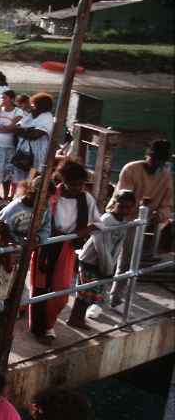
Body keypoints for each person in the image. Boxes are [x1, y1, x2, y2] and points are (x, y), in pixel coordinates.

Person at [31, 159, 101, 343]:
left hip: (68, 247)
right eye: (73, 184)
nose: (78, 187)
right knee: (40, 288)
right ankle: (40, 329)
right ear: (64, 180)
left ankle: (48, 324)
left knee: (61, 292)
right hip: (46, 245)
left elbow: (98, 222)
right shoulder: (52, 194)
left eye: (81, 184)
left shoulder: (86, 198)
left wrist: (83, 231)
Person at [108, 139, 172, 285]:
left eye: (160, 160)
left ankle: (115, 298)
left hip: (142, 222)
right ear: (147, 155)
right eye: (154, 158)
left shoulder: (166, 176)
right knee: (117, 259)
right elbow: (124, 199)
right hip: (120, 217)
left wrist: (159, 214)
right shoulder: (131, 169)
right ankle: (110, 294)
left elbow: (167, 205)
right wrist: (142, 207)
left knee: (128, 262)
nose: (156, 163)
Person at [69, 189, 136, 328]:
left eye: (128, 207)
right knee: (85, 292)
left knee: (91, 293)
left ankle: (78, 318)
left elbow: (118, 246)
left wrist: (111, 264)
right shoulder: (106, 219)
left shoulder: (124, 222)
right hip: (90, 260)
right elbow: (100, 244)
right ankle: (75, 319)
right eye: (121, 206)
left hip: (104, 262)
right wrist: (107, 266)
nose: (124, 210)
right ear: (114, 203)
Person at [12, 93, 55, 184]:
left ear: (41, 106)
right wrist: (27, 130)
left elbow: (35, 135)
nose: (31, 106)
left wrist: (24, 131)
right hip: (23, 154)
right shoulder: (31, 116)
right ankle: (20, 195)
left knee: (32, 180)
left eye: (33, 105)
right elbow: (16, 128)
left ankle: (30, 195)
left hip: (37, 155)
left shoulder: (47, 117)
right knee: (21, 180)